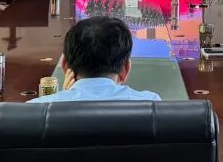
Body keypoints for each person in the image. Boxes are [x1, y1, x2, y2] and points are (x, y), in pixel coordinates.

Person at [28, 16, 161, 104]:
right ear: (125, 69)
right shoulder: (152, 104)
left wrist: (65, 95)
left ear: (65, 66)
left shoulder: (37, 109)